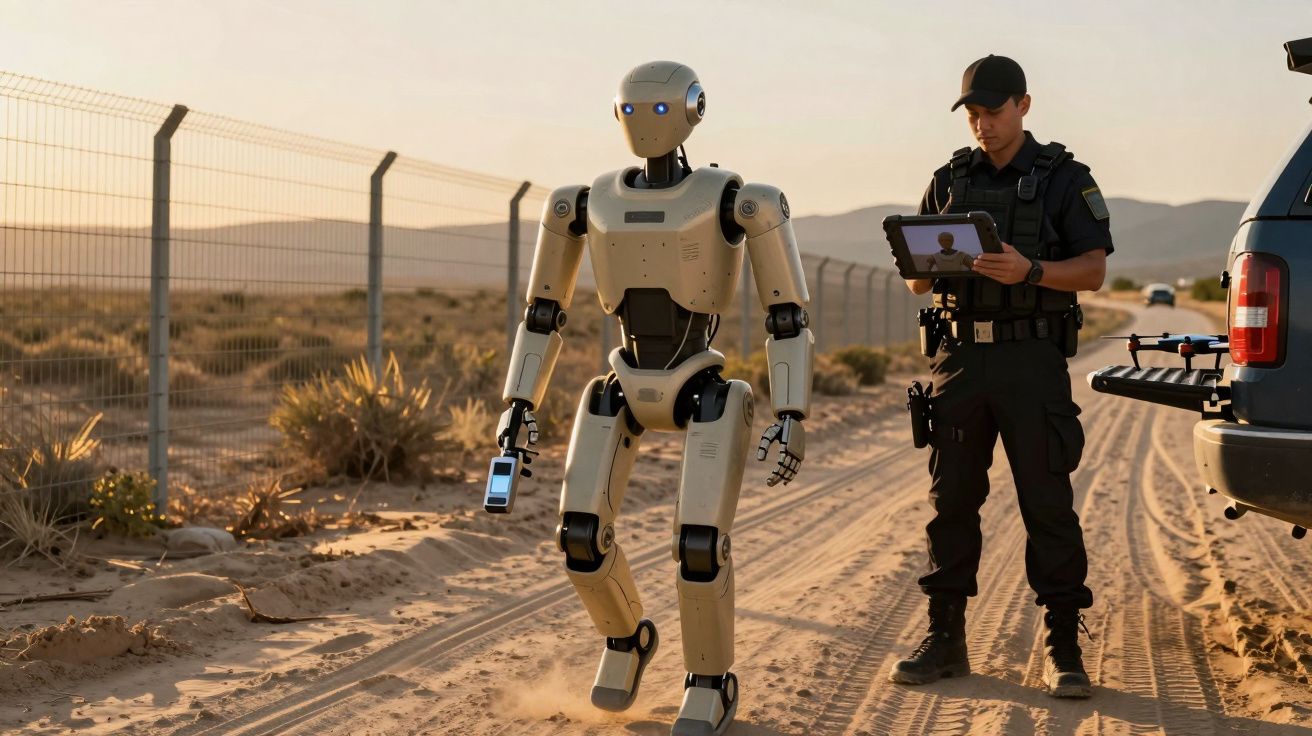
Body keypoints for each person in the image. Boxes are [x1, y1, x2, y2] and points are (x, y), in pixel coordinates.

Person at [889, 54, 1113, 698]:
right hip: (958, 360)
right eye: (974, 114)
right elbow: (916, 280)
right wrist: (926, 263)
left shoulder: (1065, 179)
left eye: (994, 111)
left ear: (1024, 105)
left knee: (1047, 502)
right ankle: (945, 636)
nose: (983, 125)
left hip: (1031, 359)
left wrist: (1031, 272)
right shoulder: (948, 179)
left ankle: (1063, 643)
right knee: (951, 501)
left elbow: (1093, 270)